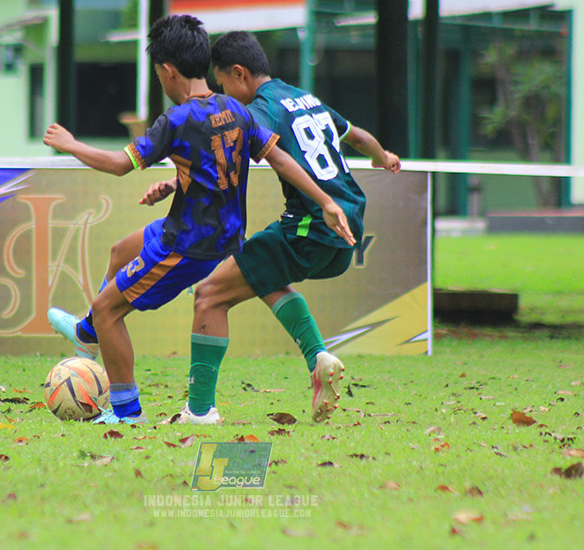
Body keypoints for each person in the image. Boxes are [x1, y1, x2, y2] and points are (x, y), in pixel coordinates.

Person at [44, 15, 355, 424]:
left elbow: (120, 164)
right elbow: (279, 158)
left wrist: (71, 145)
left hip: (188, 245)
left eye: (158, 74)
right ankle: (86, 335)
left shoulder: (175, 120)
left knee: (108, 311)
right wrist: (325, 200)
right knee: (121, 251)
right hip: (210, 232)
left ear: (168, 71)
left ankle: (125, 412)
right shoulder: (236, 110)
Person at [152, 30, 401, 425]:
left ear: (239, 74)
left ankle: (199, 411)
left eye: (224, 87)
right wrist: (382, 156)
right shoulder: (306, 97)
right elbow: (358, 136)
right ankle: (317, 356)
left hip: (312, 223)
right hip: (347, 222)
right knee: (258, 271)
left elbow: (234, 147)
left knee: (210, 295)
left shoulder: (262, 108)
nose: (226, 97)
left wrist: (174, 182)